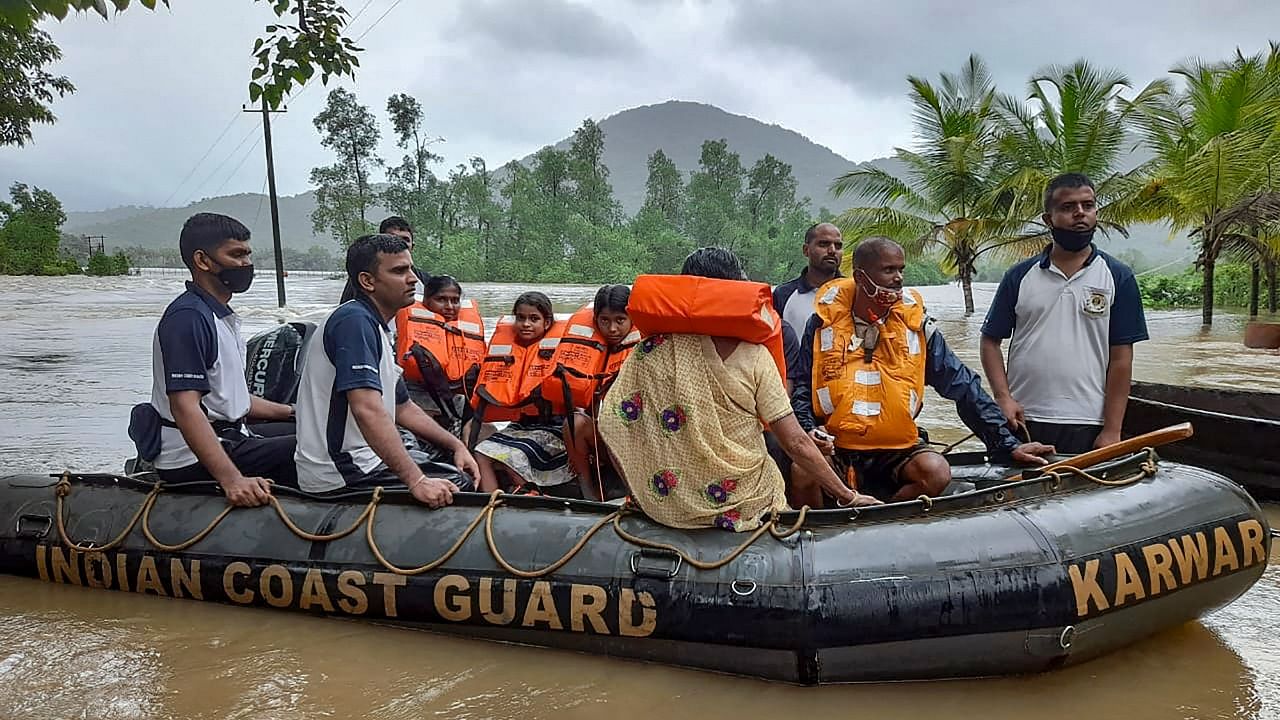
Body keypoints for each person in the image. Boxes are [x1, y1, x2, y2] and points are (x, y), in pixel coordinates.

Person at [598, 247, 879, 532]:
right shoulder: (754, 356)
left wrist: (643, 494)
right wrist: (848, 496)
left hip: (669, 503)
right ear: (735, 289)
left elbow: (611, 422)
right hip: (748, 503)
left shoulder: (650, 350)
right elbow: (795, 442)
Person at [793, 237, 1056, 503]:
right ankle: (814, 532)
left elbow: (963, 386)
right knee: (802, 469)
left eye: (901, 270)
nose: (898, 278)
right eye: (888, 270)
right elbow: (803, 386)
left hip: (897, 447)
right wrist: (808, 429)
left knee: (936, 471)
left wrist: (1006, 444)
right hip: (837, 444)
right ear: (860, 277)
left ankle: (887, 518)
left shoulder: (917, 328)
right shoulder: (822, 326)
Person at [294, 233, 480, 506]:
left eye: (411, 269)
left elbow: (403, 407)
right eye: (399, 271)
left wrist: (456, 445)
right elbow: (367, 409)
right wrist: (416, 481)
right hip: (343, 472)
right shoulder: (354, 322)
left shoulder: (377, 327)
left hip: (365, 460)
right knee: (458, 484)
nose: (413, 279)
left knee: (450, 462)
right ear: (367, 281)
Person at [135, 212, 297, 507]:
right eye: (236, 255)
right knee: (323, 446)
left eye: (248, 254)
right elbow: (185, 408)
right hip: (189, 457)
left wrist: (294, 411)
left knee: (318, 430)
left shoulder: (220, 316)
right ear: (203, 260)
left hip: (234, 434)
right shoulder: (189, 318)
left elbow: (231, 398)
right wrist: (232, 480)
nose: (246, 264)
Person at [980, 173, 1148, 453]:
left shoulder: (1118, 276)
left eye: (1088, 205)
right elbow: (990, 341)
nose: (1080, 214)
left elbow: (1121, 359)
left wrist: (1112, 429)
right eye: (1068, 207)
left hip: (1087, 420)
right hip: (1024, 418)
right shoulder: (1020, 276)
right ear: (1049, 219)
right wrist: (1003, 398)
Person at [473, 292, 575, 494]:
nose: (526, 324)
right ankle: (491, 499)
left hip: (554, 427)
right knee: (480, 452)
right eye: (521, 318)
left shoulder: (562, 352)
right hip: (521, 425)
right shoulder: (509, 352)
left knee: (514, 455)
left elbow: (575, 402)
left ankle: (529, 492)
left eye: (533, 319)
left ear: (547, 323)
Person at [564, 284, 638, 499]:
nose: (612, 329)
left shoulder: (644, 351)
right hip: (605, 441)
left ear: (632, 319)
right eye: (604, 320)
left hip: (637, 442)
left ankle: (635, 494)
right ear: (595, 320)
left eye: (619, 320)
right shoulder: (589, 352)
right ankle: (588, 490)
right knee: (574, 422)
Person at [772, 222, 843, 338]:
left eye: (838, 246)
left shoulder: (854, 293)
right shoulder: (783, 295)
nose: (832, 250)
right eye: (823, 244)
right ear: (806, 250)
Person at [340, 216, 427, 304]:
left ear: (413, 246)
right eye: (393, 238)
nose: (399, 244)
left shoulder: (424, 279)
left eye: (405, 240)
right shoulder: (364, 279)